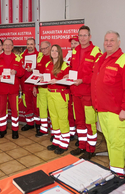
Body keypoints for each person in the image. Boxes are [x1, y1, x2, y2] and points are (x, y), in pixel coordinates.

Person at [91, 31, 125, 175]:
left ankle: (118, 174)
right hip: (102, 109)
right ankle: (113, 170)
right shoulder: (101, 59)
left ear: (119, 42)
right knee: (109, 142)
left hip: (116, 112)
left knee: (117, 144)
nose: (108, 43)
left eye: (112, 40)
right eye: (106, 40)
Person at [69, 25, 102, 160]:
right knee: (80, 122)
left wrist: (82, 80)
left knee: (90, 123)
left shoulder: (96, 51)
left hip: (88, 94)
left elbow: (97, 74)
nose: (82, 38)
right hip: (76, 93)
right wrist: (68, 76)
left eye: (85, 35)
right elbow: (73, 68)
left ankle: (90, 149)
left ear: (90, 37)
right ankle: (82, 145)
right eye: (80, 35)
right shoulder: (75, 50)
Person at [0, 39, 25, 139]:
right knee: (2, 111)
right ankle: (2, 129)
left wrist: (16, 72)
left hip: (13, 89)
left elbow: (22, 71)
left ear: (13, 46)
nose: (8, 46)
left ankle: (15, 130)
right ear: (3, 46)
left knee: (14, 110)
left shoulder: (18, 58)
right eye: (6, 45)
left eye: (10, 45)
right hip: (2, 89)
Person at [44, 44, 70, 154]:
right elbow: (47, 77)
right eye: (52, 50)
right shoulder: (48, 64)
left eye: (56, 51)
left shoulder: (64, 65)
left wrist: (60, 79)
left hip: (60, 94)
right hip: (50, 93)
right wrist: (41, 78)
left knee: (62, 119)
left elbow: (68, 78)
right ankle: (56, 140)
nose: (54, 52)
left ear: (60, 53)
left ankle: (64, 143)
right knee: (53, 118)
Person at [20, 38, 41, 132]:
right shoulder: (22, 55)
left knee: (37, 105)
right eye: (28, 44)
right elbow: (20, 70)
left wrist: (33, 70)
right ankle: (30, 123)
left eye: (31, 44)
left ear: (35, 45)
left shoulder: (39, 55)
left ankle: (38, 124)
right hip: (25, 84)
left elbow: (41, 70)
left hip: (35, 84)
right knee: (27, 104)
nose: (29, 46)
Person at [33, 41, 52, 137]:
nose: (43, 50)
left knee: (52, 111)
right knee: (42, 110)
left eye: (45, 48)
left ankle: (54, 132)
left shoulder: (54, 58)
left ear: (50, 47)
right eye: (42, 49)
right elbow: (36, 74)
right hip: (41, 88)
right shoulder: (39, 58)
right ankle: (44, 130)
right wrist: (35, 86)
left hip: (51, 89)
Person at [67, 36, 80, 141]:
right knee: (70, 112)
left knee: (80, 115)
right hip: (69, 88)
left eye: (75, 43)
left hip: (79, 89)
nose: (73, 46)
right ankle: (72, 133)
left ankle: (81, 137)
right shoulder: (68, 55)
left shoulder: (81, 55)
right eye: (72, 44)